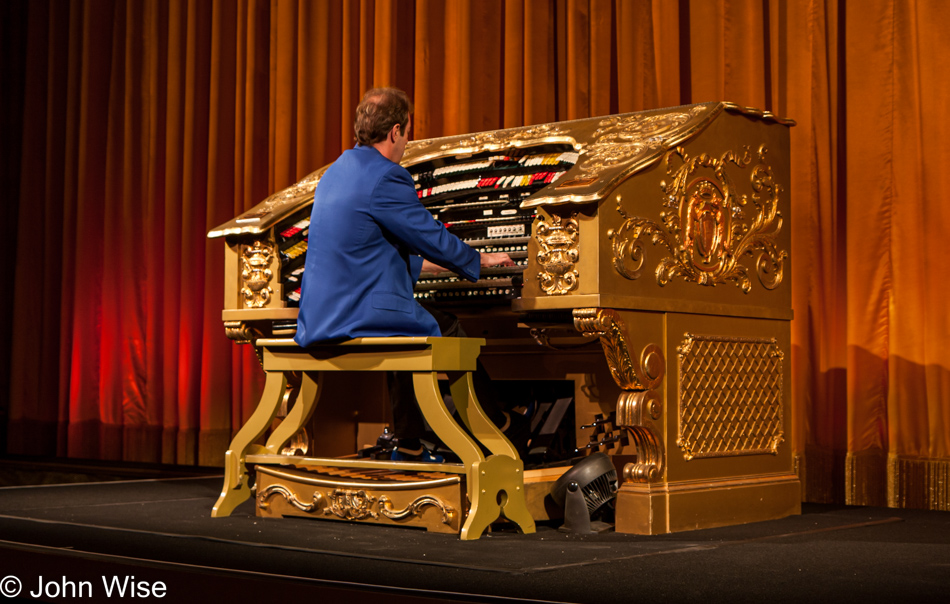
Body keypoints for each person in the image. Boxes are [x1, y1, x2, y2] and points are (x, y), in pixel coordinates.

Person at [294, 87, 519, 460]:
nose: (406, 142)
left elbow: (370, 251)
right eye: (408, 133)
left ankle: (410, 442)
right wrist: (478, 261)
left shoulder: (337, 171)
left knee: (408, 321)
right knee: (443, 327)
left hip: (322, 311)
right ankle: (494, 427)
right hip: (359, 310)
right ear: (396, 131)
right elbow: (429, 237)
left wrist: (438, 265)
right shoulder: (386, 176)